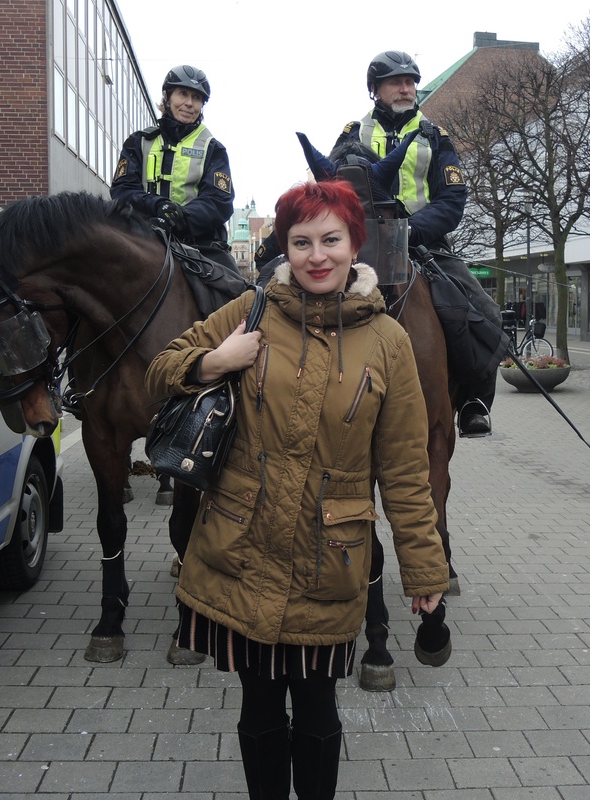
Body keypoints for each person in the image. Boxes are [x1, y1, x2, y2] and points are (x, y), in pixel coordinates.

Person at [145, 180, 449, 800]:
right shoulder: (249, 310)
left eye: (331, 240)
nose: (317, 255)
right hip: (242, 552)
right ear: (283, 246)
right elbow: (159, 372)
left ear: (354, 244)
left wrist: (424, 573)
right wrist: (213, 361)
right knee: (258, 712)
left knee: (317, 714)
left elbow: (406, 472)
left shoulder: (389, 341)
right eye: (301, 241)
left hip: (328, 561)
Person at [333, 50, 501, 437]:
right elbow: (331, 190)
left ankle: (474, 401)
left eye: (410, 81)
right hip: (362, 247)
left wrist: (411, 230)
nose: (406, 88)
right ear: (375, 90)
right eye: (396, 82)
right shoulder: (351, 134)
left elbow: (452, 197)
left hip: (424, 245)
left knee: (485, 313)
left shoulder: (435, 136)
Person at [110, 65, 237, 273]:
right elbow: (122, 190)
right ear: (167, 97)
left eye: (196, 98)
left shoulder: (213, 148)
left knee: (234, 291)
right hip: (141, 239)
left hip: (198, 246)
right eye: (183, 94)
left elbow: (219, 201)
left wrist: (179, 218)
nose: (189, 103)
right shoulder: (138, 142)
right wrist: (157, 206)